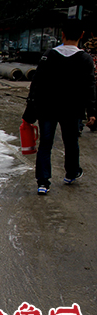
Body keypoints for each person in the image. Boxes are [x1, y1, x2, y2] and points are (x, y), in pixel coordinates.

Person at [22, 19, 96, 195]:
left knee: (45, 144)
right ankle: (71, 173)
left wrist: (30, 110)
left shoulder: (49, 55)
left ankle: (43, 182)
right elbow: (90, 87)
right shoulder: (85, 59)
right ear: (82, 35)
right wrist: (92, 112)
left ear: (62, 34)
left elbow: (36, 84)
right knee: (71, 142)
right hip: (72, 110)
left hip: (47, 108)